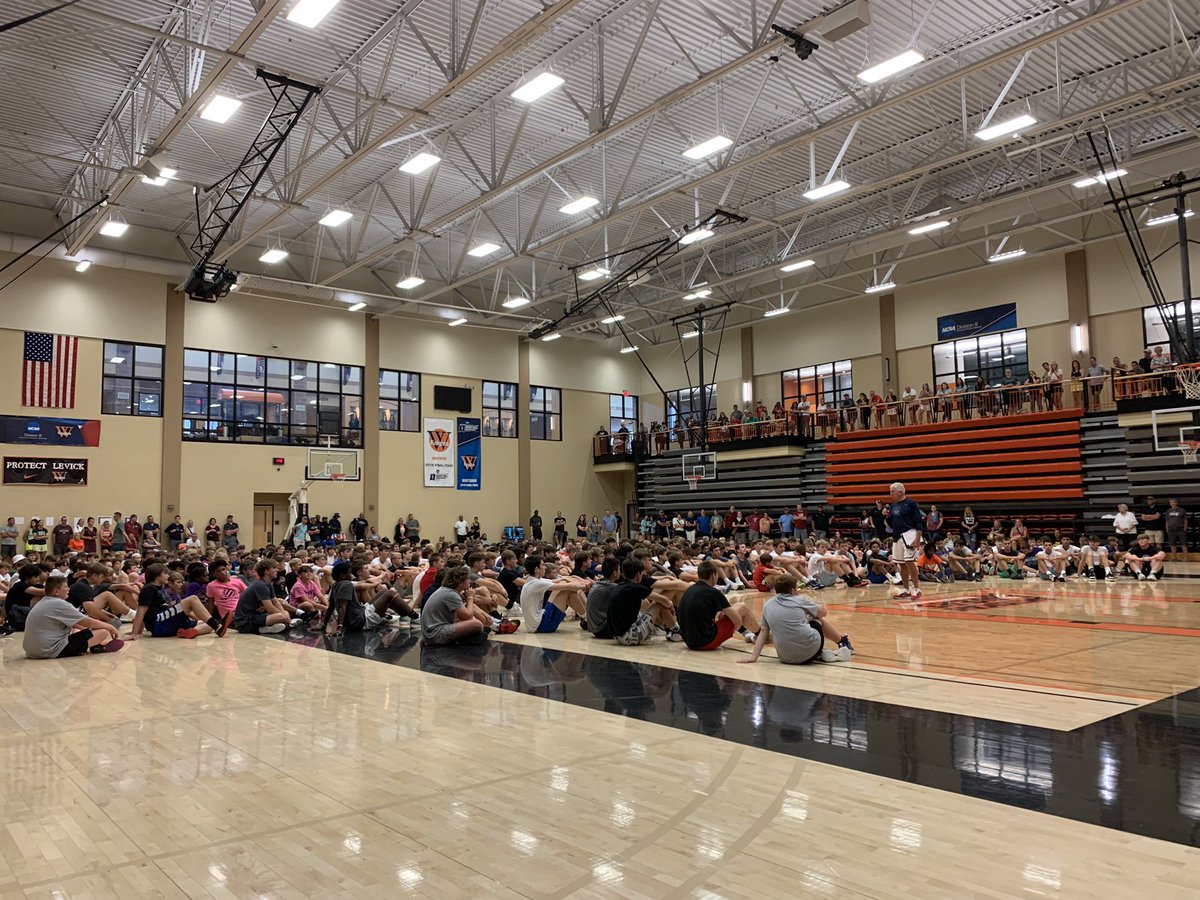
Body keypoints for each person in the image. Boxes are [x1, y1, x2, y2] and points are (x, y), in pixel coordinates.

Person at [739, 576, 853, 665]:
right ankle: (842, 642)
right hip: (811, 652)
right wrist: (813, 606)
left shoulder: (768, 605)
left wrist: (753, 657)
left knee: (802, 623)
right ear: (793, 590)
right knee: (816, 619)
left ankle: (819, 654)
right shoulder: (800, 600)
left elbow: (763, 632)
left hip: (785, 657)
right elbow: (823, 613)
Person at [23, 575, 124, 658]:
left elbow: (77, 624)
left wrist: (89, 629)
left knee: (78, 628)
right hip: (49, 650)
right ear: (56, 592)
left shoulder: (45, 601)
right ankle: (96, 646)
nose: (69, 589)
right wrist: (110, 627)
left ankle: (93, 645)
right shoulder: (59, 603)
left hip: (33, 651)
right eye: (65, 587)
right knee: (102, 631)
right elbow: (87, 621)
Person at [132, 563, 230, 639]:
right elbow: (141, 610)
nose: (167, 576)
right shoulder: (149, 588)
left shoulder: (159, 588)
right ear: (157, 576)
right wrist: (134, 633)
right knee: (193, 599)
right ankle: (217, 627)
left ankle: (190, 632)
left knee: (208, 624)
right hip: (158, 624)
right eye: (165, 573)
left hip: (166, 622)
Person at [677, 561, 759, 651]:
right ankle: (760, 635)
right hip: (706, 642)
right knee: (741, 607)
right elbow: (737, 621)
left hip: (689, 642)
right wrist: (729, 629)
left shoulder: (690, 589)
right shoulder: (714, 592)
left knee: (725, 612)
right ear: (713, 575)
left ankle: (747, 633)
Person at [604, 558, 680, 645]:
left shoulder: (618, 586)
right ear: (638, 575)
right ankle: (675, 630)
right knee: (658, 604)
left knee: (649, 605)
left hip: (618, 636)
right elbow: (664, 600)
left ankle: (667, 627)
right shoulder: (636, 588)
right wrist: (671, 607)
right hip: (629, 636)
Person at [421, 565, 492, 646]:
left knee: (470, 618)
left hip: (433, 631)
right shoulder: (451, 594)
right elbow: (468, 616)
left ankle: (476, 634)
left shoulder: (446, 590)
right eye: (467, 579)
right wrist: (470, 597)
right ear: (460, 582)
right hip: (436, 633)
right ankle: (467, 638)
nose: (470, 581)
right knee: (477, 624)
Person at [519, 556, 590, 633]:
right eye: (543, 565)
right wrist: (584, 585)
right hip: (541, 625)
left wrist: (581, 582)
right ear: (536, 569)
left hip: (538, 622)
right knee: (567, 590)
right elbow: (568, 586)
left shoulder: (533, 580)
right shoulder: (537, 583)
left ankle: (586, 617)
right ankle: (587, 619)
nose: (545, 567)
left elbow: (562, 579)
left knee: (565, 585)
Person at [230, 559, 290, 635]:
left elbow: (275, 601)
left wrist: (284, 614)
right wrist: (284, 617)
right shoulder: (260, 585)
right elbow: (270, 608)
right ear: (267, 571)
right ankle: (262, 628)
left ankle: (266, 627)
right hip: (244, 622)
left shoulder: (267, 583)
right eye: (274, 568)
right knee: (280, 616)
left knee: (284, 613)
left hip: (255, 616)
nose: (277, 570)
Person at [887, 482, 924, 600]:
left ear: (900, 491)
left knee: (909, 561)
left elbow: (918, 521)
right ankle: (906, 589)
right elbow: (891, 523)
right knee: (901, 563)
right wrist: (886, 516)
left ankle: (917, 589)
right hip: (897, 536)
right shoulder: (893, 506)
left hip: (910, 535)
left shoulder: (911, 503)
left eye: (892, 491)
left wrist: (918, 539)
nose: (890, 493)